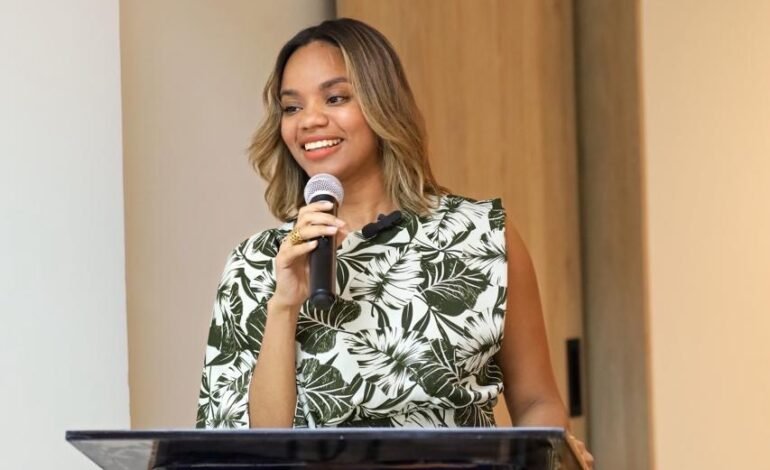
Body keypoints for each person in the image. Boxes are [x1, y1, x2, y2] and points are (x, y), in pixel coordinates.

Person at [196, 17, 592, 467]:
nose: (310, 120)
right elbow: (249, 452)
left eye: (336, 97)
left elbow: (538, 402)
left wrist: (548, 452)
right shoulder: (254, 265)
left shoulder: (482, 235)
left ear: (382, 103)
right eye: (291, 107)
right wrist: (284, 305)